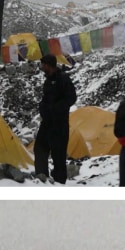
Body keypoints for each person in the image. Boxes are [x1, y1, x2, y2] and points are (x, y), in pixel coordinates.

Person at [34, 54, 77, 184]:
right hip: (47, 122)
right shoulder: (48, 80)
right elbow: (45, 99)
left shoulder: (63, 79)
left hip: (59, 124)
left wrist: (56, 109)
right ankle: (42, 179)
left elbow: (71, 98)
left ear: (49, 65)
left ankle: (59, 184)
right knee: (39, 148)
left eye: (43, 64)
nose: (42, 67)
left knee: (58, 156)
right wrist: (42, 107)